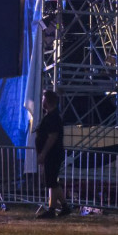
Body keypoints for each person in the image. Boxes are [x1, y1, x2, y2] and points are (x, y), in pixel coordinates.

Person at [35, 90, 70, 218]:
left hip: (52, 153)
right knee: (51, 181)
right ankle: (64, 207)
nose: (42, 100)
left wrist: (43, 153)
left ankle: (51, 209)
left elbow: (52, 137)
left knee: (51, 182)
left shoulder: (53, 117)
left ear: (48, 101)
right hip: (52, 153)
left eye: (43, 98)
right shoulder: (51, 116)